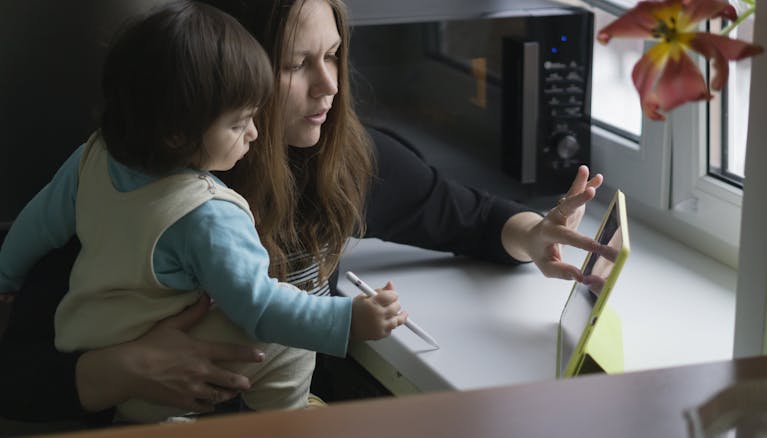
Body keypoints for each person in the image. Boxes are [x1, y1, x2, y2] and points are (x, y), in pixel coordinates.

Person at [0, 0, 605, 428]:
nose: (330, 86)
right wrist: (122, 370)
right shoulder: (143, 186)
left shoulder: (344, 163)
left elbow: (469, 218)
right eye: (296, 64)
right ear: (231, 75)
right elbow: (16, 378)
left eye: (334, 55)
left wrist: (535, 234)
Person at [0, 0, 407, 424]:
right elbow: (260, 306)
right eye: (240, 121)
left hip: (81, 337)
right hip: (139, 380)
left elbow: (37, 224)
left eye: (333, 55)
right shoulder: (207, 213)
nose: (254, 130)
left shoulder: (93, 156)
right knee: (289, 339)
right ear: (179, 134)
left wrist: (5, 274)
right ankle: (288, 420)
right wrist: (348, 320)